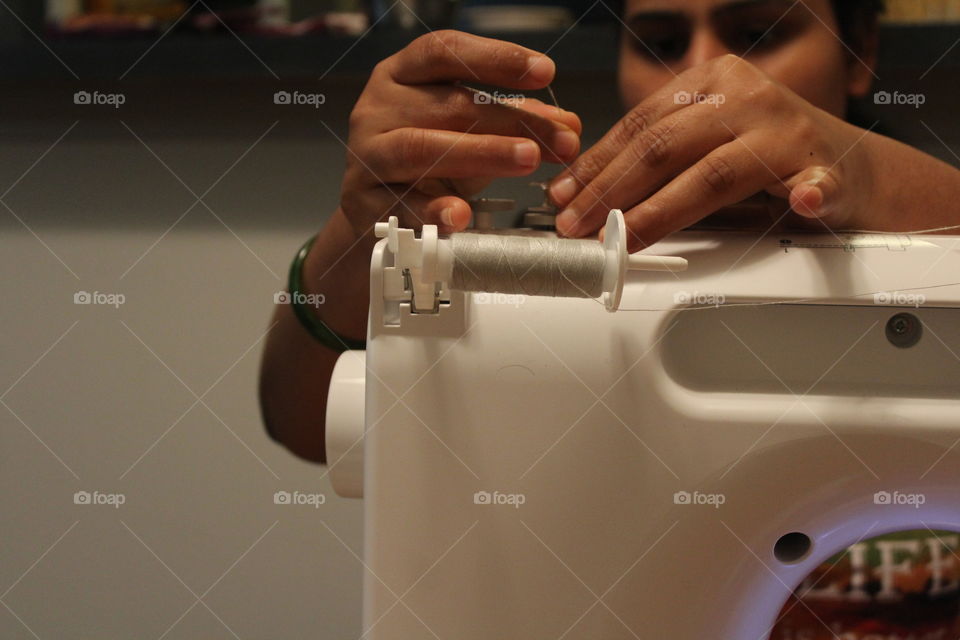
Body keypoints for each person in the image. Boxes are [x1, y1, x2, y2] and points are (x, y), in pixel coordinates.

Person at [258, 0, 960, 635]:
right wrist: (365, 229)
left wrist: (870, 175)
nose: (706, 74)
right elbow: (304, 423)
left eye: (758, 35)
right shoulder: (578, 263)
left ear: (859, 48)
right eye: (659, 41)